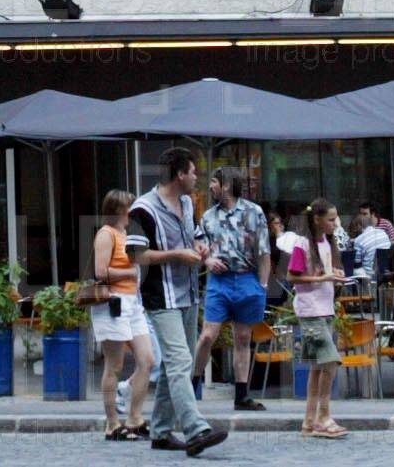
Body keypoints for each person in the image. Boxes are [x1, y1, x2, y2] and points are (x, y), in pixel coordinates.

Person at [125, 148, 227, 458]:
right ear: (180, 174)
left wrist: (201, 248)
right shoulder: (142, 209)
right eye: (194, 172)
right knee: (181, 360)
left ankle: (160, 431)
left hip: (188, 293)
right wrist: (177, 255)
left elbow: (196, 235)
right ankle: (195, 429)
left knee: (174, 364)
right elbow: (136, 255)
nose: (197, 178)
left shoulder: (186, 202)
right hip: (161, 296)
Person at [193, 166, 270, 413]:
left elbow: (264, 251)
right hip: (219, 281)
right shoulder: (207, 217)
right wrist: (207, 260)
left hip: (247, 278)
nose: (210, 186)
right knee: (208, 335)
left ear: (226, 185)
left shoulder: (254, 212)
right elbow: (198, 246)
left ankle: (241, 395)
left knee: (243, 337)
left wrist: (263, 286)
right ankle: (192, 387)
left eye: (214, 182)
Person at [93, 189, 154, 441]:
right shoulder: (106, 234)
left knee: (147, 360)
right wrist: (130, 272)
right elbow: (100, 271)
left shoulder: (127, 235)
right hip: (114, 303)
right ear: (118, 210)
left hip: (133, 303)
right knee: (114, 365)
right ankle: (112, 424)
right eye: (130, 207)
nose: (133, 212)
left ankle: (135, 418)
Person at [287, 199, 347, 440]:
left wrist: (334, 274)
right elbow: (292, 276)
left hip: (324, 309)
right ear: (317, 220)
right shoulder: (302, 244)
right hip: (310, 311)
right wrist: (323, 278)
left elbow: (323, 272)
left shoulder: (326, 243)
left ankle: (309, 421)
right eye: (331, 220)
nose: (335, 224)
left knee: (317, 367)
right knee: (330, 361)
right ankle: (324, 416)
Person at [350, 204, 393, 286]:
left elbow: (357, 263)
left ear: (359, 226)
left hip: (370, 276)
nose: (354, 230)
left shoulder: (358, 240)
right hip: (386, 272)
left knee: (353, 270)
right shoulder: (382, 232)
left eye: (355, 227)